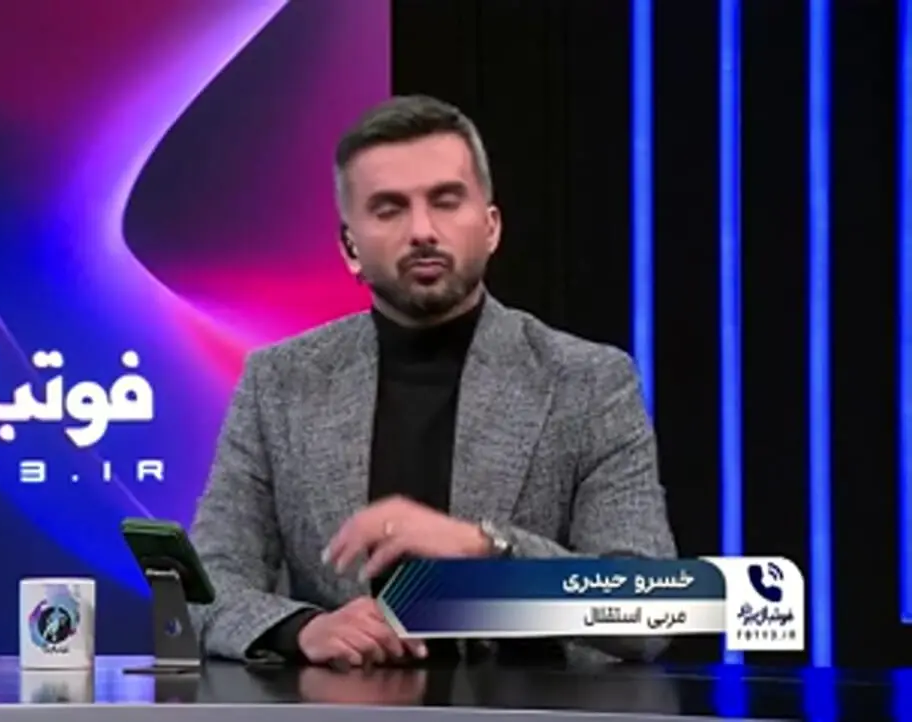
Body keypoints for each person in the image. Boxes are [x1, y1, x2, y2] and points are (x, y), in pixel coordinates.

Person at [188, 94, 676, 667]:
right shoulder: (279, 381)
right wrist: (302, 629)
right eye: (389, 209)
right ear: (350, 247)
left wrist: (486, 548)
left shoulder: (587, 382)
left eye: (446, 201)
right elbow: (207, 583)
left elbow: (652, 607)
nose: (422, 230)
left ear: (491, 227)